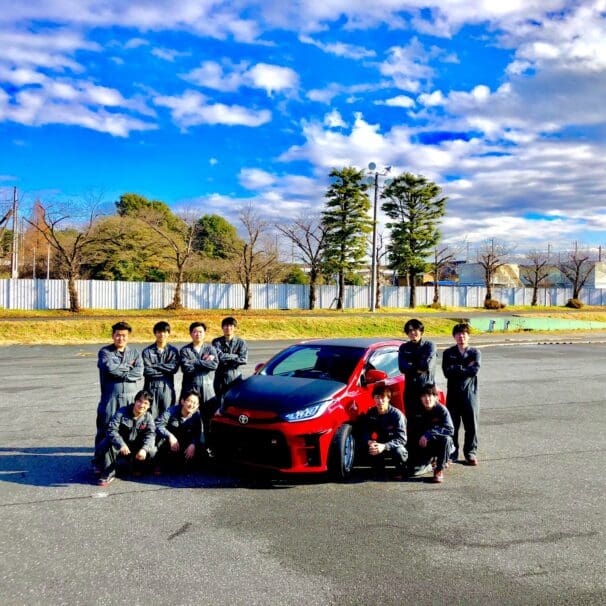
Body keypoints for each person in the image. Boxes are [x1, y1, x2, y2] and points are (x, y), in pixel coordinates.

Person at [94, 321, 144, 471]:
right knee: (105, 428)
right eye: (118, 335)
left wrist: (122, 369)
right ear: (112, 335)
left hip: (130, 398)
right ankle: (99, 462)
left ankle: (126, 461)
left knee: (128, 429)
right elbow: (109, 369)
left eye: (124, 335)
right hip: (111, 398)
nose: (120, 338)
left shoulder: (135, 353)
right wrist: (129, 367)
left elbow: (139, 372)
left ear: (128, 337)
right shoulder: (105, 352)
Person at [398, 318, 437, 473]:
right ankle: (414, 459)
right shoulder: (404, 347)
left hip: (426, 391)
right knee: (413, 425)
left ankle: (428, 460)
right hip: (410, 392)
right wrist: (416, 366)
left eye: (415, 330)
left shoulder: (429, 345)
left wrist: (412, 366)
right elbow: (402, 367)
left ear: (421, 331)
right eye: (409, 330)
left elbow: (426, 366)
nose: (412, 333)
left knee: (427, 425)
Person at [97, 390, 156, 487]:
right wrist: (121, 444)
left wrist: (144, 449)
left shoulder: (148, 417)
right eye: (139, 401)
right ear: (135, 401)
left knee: (153, 449)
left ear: (149, 406)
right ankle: (107, 472)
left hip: (135, 448)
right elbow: (111, 430)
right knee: (105, 443)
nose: (141, 405)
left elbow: (151, 434)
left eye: (145, 403)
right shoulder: (122, 412)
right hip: (121, 448)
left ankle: (137, 466)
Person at [442, 322, 481, 465]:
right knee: (452, 425)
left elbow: (474, 371)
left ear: (468, 336)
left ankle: (470, 452)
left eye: (464, 334)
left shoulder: (475, 353)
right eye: (458, 334)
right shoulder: (448, 353)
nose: (461, 336)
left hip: (470, 395)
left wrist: (456, 368)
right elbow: (447, 373)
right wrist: (464, 368)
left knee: (471, 425)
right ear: (454, 336)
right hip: (453, 394)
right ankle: (452, 453)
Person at [180, 322, 219, 441]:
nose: (198, 334)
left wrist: (195, 361)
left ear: (204, 333)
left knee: (209, 419)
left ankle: (208, 445)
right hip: (190, 387)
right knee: (188, 418)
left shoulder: (210, 348)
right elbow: (187, 368)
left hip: (208, 389)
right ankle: (189, 445)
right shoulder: (185, 350)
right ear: (191, 334)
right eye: (195, 332)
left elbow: (214, 365)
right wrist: (204, 362)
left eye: (200, 332)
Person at [363, 384, 408, 480]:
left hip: (392, 446)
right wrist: (369, 441)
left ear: (389, 398)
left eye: (383, 398)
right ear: (373, 399)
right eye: (377, 398)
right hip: (378, 445)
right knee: (367, 448)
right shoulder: (371, 413)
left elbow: (402, 439)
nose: (380, 401)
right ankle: (378, 469)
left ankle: (400, 469)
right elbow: (365, 431)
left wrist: (384, 446)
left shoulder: (397, 415)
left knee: (399, 451)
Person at [414, 384, 454, 483]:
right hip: (423, 444)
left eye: (430, 395)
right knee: (414, 471)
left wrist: (428, 434)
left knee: (447, 439)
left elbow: (450, 430)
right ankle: (430, 461)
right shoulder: (417, 410)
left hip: (438, 443)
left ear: (435, 397)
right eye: (424, 396)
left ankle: (439, 469)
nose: (427, 399)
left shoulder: (442, 410)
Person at [154, 390, 203, 472]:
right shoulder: (171, 411)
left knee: (201, 448)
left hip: (184, 443)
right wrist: (170, 436)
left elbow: (197, 432)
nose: (192, 405)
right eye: (189, 401)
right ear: (182, 401)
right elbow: (157, 424)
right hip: (169, 443)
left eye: (195, 403)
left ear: (198, 405)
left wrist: (193, 444)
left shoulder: (196, 415)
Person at [142, 321, 180, 418]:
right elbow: (147, 371)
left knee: (167, 416)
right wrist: (165, 369)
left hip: (167, 387)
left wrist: (155, 365)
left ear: (168, 333)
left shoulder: (173, 351)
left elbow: (173, 369)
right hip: (150, 387)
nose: (162, 334)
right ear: (155, 333)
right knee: (150, 416)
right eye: (159, 332)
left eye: (164, 332)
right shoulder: (147, 351)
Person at [211, 316, 248, 398]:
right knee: (219, 401)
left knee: (234, 401)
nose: (228, 328)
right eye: (226, 326)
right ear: (222, 327)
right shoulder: (216, 342)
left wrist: (226, 357)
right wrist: (235, 356)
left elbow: (243, 359)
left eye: (231, 326)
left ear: (234, 327)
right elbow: (218, 357)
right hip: (219, 376)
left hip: (234, 377)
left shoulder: (241, 342)